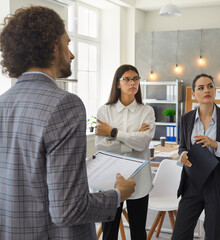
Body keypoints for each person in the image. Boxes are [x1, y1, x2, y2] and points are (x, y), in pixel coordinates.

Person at [0, 6, 136, 240]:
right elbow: (69, 210)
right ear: (52, 45)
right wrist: (118, 195)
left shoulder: (4, 103)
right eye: (67, 43)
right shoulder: (65, 104)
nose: (71, 54)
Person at [171, 73, 220, 240]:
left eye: (210, 86)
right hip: (192, 182)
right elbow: (183, 146)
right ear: (193, 93)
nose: (207, 90)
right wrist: (182, 155)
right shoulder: (186, 118)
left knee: (212, 235)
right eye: (201, 88)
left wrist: (215, 145)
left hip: (218, 185)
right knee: (179, 235)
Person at [95, 64, 155, 240]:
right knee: (109, 232)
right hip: (111, 178)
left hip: (139, 179)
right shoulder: (104, 110)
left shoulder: (147, 111)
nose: (132, 82)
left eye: (135, 78)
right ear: (118, 84)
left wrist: (113, 133)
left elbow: (144, 141)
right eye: (127, 79)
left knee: (138, 232)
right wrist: (133, 139)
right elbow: (102, 145)